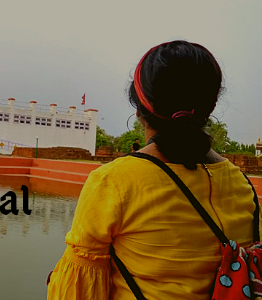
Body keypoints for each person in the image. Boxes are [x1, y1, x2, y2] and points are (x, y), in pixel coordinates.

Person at [46, 41, 259, 299]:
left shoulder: (114, 182)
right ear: (210, 107)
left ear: (139, 108)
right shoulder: (243, 186)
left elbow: (78, 291)